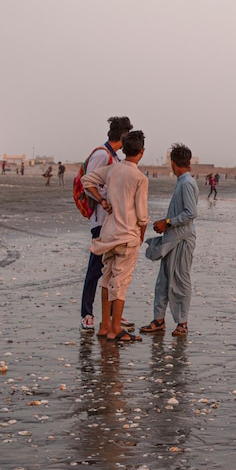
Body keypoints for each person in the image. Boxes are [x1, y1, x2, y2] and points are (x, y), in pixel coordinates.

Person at [80, 130, 149, 342]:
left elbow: (86, 179)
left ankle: (105, 325)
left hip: (108, 234)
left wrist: (102, 201)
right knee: (121, 281)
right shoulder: (139, 177)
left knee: (107, 277)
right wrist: (141, 235)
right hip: (127, 234)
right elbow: (142, 215)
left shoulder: (112, 169)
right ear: (142, 152)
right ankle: (116, 328)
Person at [140, 144, 198, 337]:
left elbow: (190, 213)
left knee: (180, 281)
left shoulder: (187, 183)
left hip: (182, 240)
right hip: (171, 239)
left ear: (173, 163)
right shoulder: (182, 181)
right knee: (163, 281)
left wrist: (167, 223)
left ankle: (182, 323)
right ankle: (158, 320)